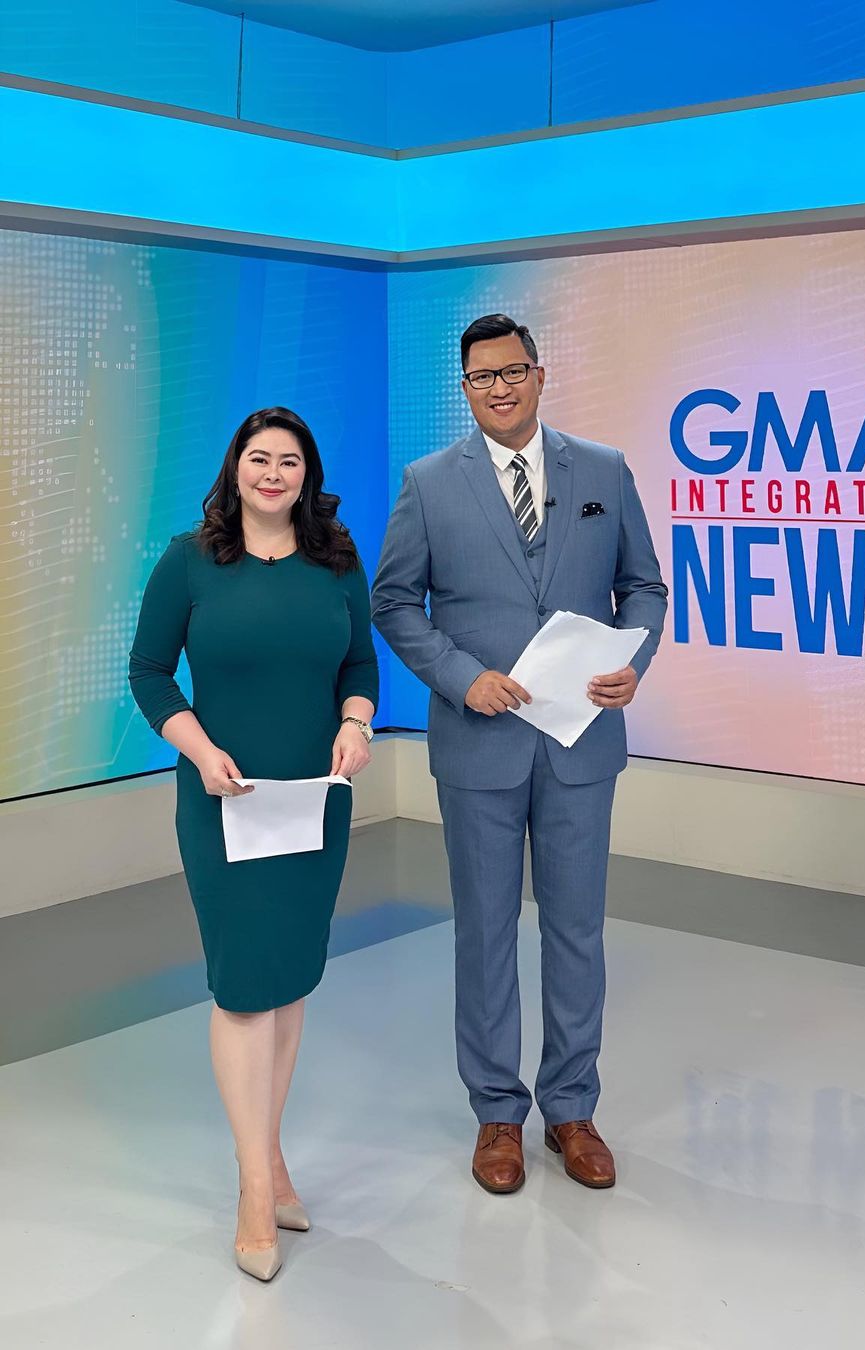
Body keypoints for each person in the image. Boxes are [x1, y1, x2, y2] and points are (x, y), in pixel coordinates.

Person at [372, 314, 667, 1194]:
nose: (498, 388)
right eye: (481, 377)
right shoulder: (429, 483)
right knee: (486, 931)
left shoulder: (604, 471)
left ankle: (571, 1110)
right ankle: (497, 1114)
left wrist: (632, 659)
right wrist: (461, 678)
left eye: (512, 371)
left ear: (541, 374)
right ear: (464, 389)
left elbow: (644, 586)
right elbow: (394, 602)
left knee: (577, 929)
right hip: (480, 745)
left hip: (582, 744)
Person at [128, 407, 378, 1281]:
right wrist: (200, 751)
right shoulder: (188, 561)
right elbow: (148, 672)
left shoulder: (337, 561)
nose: (273, 474)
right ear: (235, 468)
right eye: (259, 458)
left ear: (308, 475)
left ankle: (270, 1156)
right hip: (223, 800)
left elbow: (360, 666)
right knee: (242, 988)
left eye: (290, 461)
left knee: (289, 979)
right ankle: (252, 1186)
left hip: (313, 802)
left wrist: (356, 724)